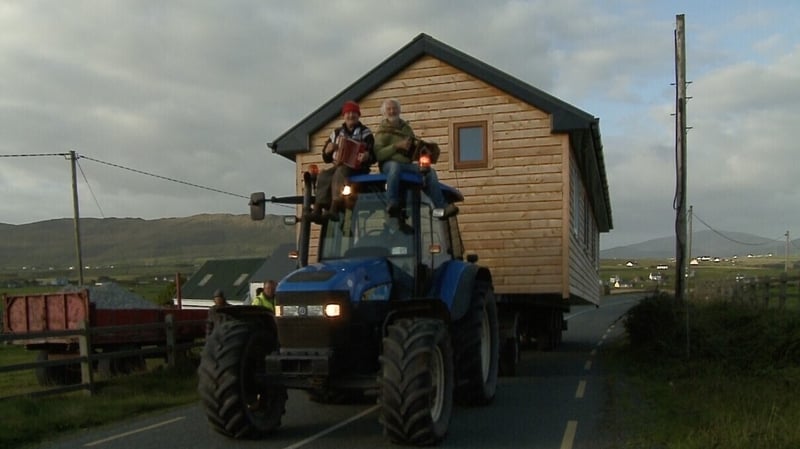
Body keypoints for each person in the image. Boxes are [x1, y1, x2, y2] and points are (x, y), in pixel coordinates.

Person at [373, 98, 457, 218]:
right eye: (389, 109)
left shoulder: (406, 129)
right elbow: (378, 155)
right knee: (395, 167)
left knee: (429, 171)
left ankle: (441, 207)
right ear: (384, 113)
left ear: (399, 110)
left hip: (406, 165)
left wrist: (424, 151)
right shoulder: (382, 132)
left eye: (394, 108)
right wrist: (396, 146)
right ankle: (392, 203)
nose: (392, 111)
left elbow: (413, 150)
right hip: (388, 165)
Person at [310, 100, 375, 223]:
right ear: (343, 116)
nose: (351, 116)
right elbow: (326, 158)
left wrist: (367, 156)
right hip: (339, 165)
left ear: (358, 115)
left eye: (354, 113)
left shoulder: (365, 133)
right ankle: (318, 209)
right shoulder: (336, 133)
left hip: (358, 169)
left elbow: (373, 155)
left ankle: (335, 207)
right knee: (324, 175)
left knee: (341, 171)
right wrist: (328, 151)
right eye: (348, 113)